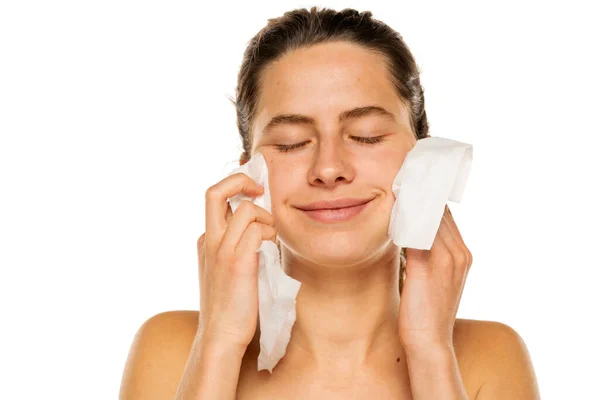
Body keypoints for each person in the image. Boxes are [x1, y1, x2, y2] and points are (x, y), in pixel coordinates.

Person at [119, 6, 540, 399]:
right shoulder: (171, 350)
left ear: (425, 161)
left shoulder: (490, 357)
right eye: (291, 143)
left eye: (367, 135)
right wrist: (220, 341)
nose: (329, 168)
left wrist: (431, 354)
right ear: (249, 176)